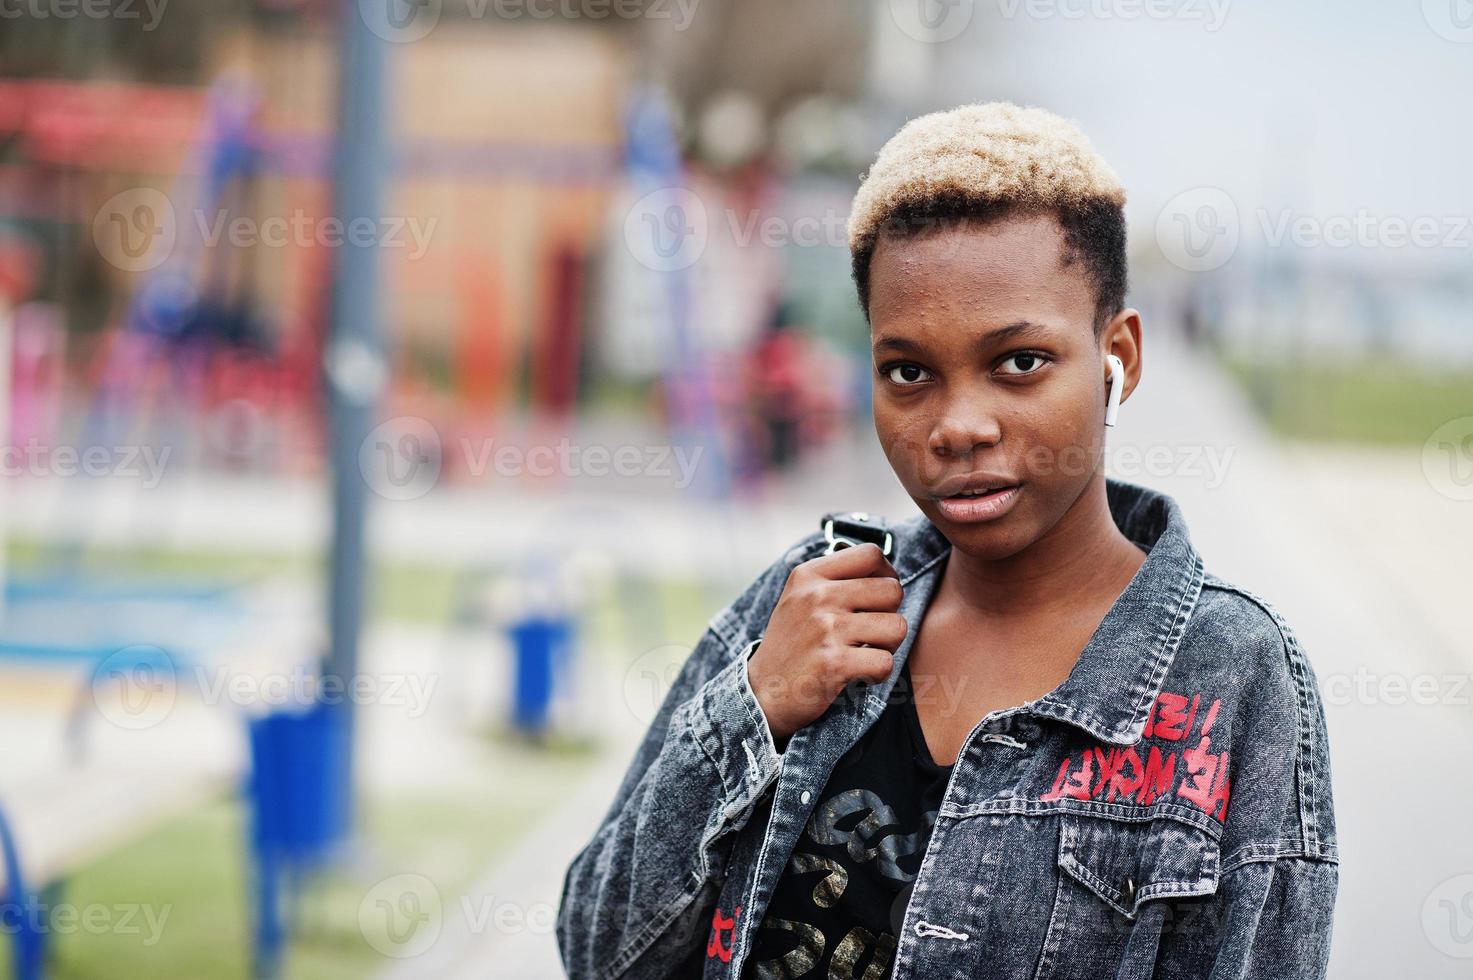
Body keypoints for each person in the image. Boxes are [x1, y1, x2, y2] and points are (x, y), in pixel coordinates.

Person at [557, 102, 1338, 980]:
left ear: (1117, 355)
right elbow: (597, 951)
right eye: (908, 372)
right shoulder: (818, 593)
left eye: (1018, 363)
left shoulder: (1229, 673)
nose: (957, 426)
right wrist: (754, 707)